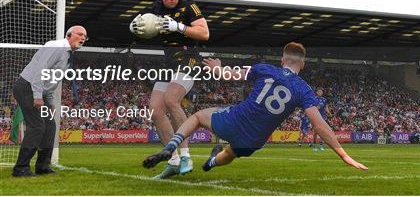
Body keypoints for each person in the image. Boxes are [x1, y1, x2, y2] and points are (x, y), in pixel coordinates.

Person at [142, 42, 368, 172]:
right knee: (231, 152)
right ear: (303, 64)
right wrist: (344, 155)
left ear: (282, 60)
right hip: (255, 140)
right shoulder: (304, 90)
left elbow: (229, 76)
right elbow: (319, 125)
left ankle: (171, 148)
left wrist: (218, 67)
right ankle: (211, 162)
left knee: (199, 115)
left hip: (235, 121)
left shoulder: (265, 69)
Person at [130, 0, 209, 179]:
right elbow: (142, 23)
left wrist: (179, 27)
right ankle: (173, 160)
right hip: (169, 63)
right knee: (155, 111)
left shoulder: (188, 6)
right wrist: (134, 26)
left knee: (171, 99)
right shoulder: (155, 8)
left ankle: (185, 156)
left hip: (189, 58)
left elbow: (204, 33)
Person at [12, 26, 88, 177]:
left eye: (85, 36)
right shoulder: (56, 46)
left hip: (40, 91)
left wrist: (50, 101)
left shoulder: (67, 54)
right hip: (27, 87)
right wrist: (38, 96)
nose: (83, 38)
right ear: (68, 34)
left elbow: (52, 80)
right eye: (80, 34)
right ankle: (21, 168)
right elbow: (40, 70)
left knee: (50, 126)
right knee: (37, 126)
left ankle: (42, 166)